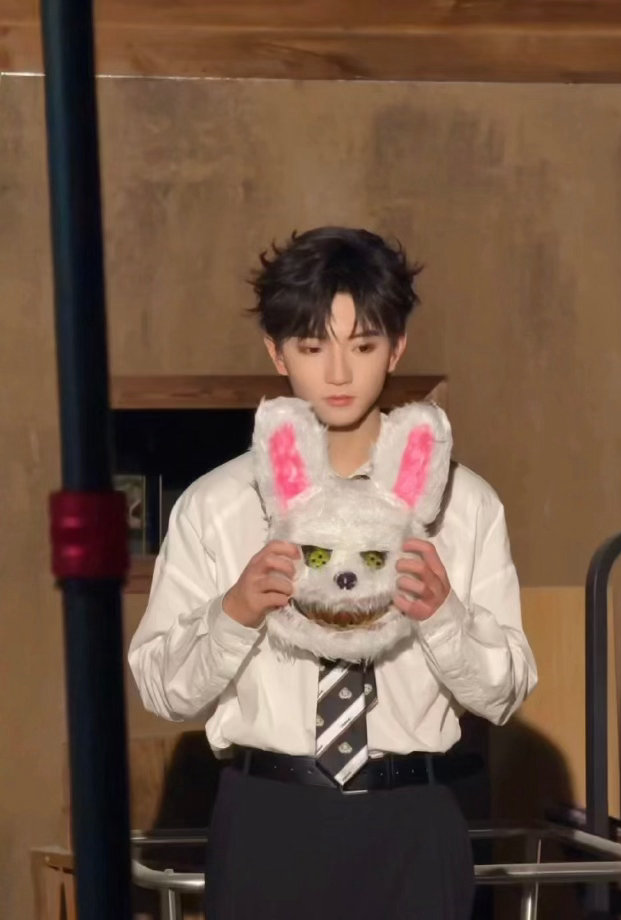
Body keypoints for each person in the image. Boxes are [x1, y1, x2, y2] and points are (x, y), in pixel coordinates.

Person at [128, 226, 538, 920]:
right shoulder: (219, 504)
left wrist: (444, 616)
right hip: (269, 817)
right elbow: (161, 691)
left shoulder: (463, 505)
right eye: (314, 347)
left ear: (398, 346)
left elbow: (506, 693)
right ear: (276, 350)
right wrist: (235, 611)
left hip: (413, 818)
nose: (339, 374)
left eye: (364, 346)